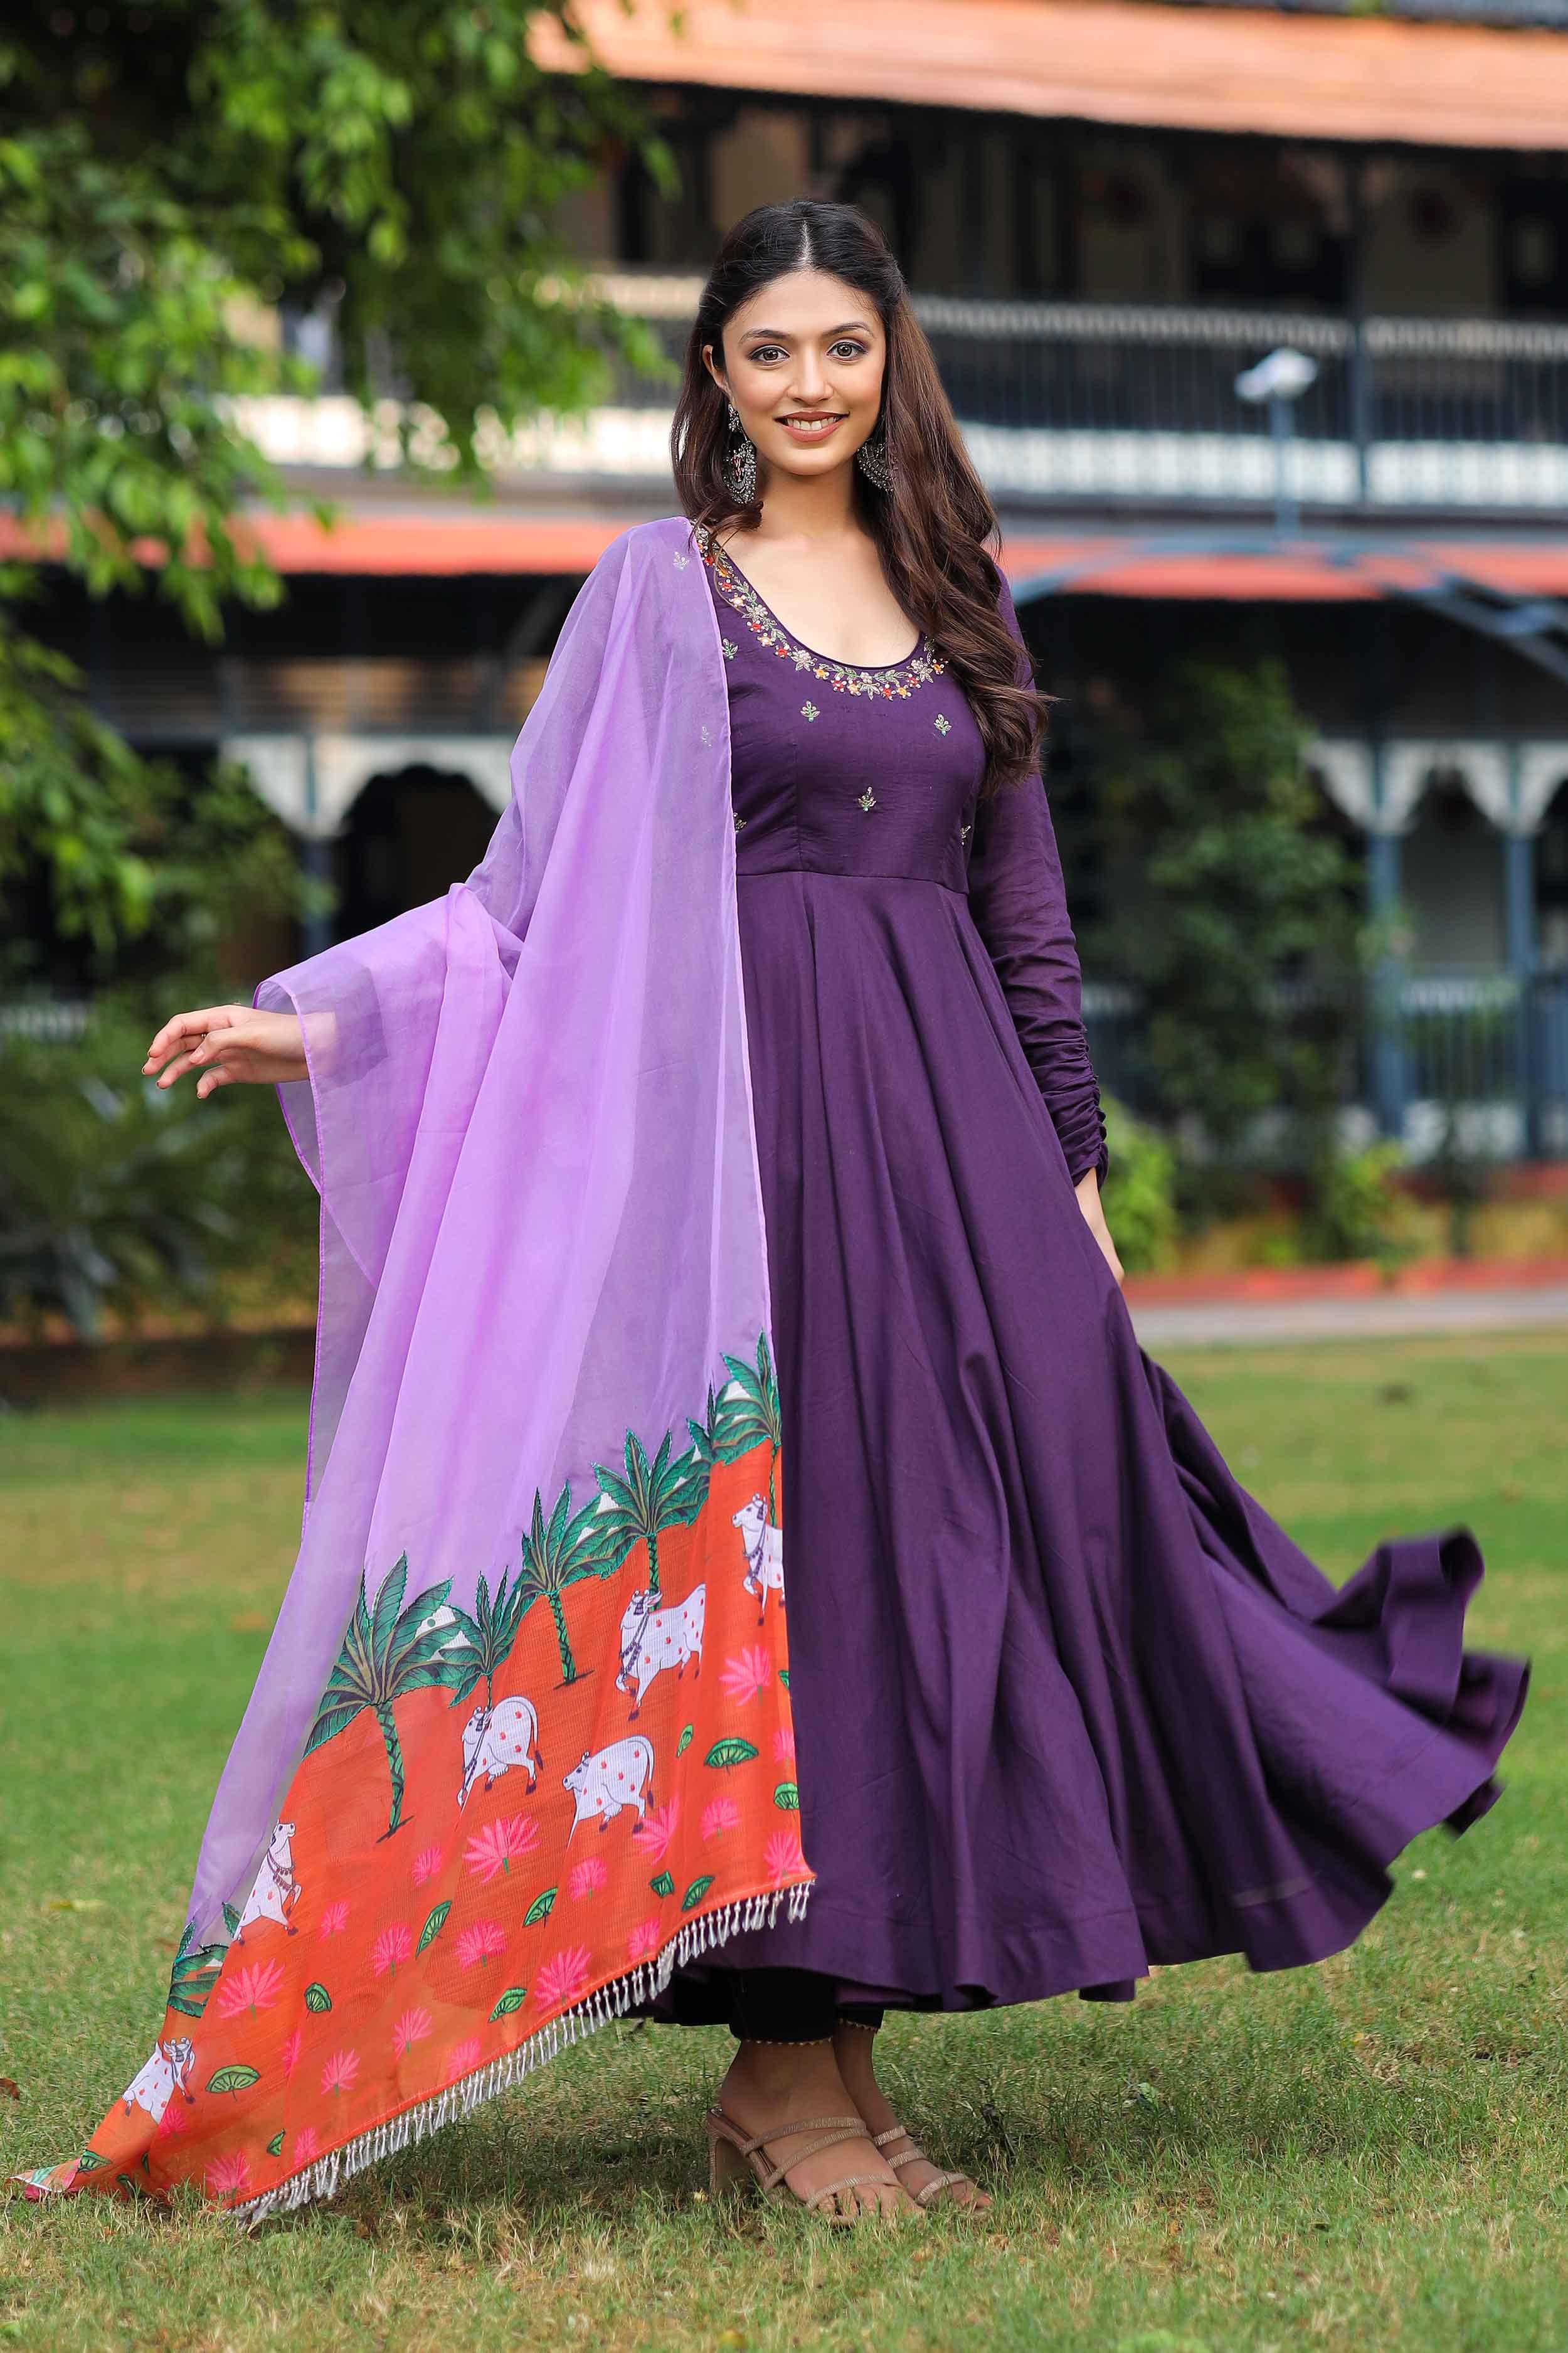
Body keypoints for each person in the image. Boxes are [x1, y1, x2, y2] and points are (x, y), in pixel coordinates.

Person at [33, 201, 1524, 2233]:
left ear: (888, 360)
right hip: (744, 1171)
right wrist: (316, 1027)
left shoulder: (961, 601)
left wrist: (1072, 1185)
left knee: (953, 1568)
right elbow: (521, 901)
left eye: (842, 345)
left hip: (957, 1164)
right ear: (715, 379)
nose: (809, 382)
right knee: (782, 1581)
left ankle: (835, 2066)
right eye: (769, 351)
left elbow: (1025, 921)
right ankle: (776, 2078)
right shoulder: (661, 595)